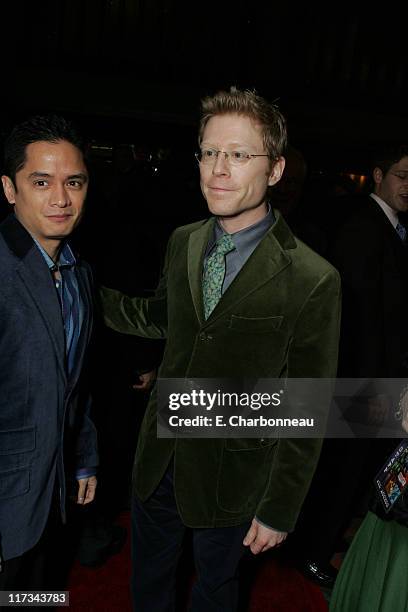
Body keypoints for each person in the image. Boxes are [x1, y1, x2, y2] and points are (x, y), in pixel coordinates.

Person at [100, 87, 341, 611]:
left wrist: (279, 508)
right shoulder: (184, 240)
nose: (218, 169)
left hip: (234, 477)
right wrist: (80, 294)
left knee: (215, 594)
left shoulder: (313, 278)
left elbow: (307, 404)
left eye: (238, 154)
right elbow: (163, 319)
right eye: (209, 152)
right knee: (148, 588)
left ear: (274, 171)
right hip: (158, 457)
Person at [295, 145, 408, 587]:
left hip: (377, 376)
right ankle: (312, 552)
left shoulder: (390, 227)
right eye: (402, 175)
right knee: (342, 473)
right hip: (365, 378)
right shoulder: (364, 226)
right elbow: (357, 315)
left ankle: (320, 543)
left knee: (353, 471)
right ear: (378, 175)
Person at [0, 115, 98, 589]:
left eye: (73, 182)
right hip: (6, 500)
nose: (61, 199)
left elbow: (75, 382)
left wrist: (82, 457)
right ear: (9, 188)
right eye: (41, 182)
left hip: (54, 492)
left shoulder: (79, 272)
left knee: (35, 598)